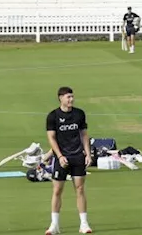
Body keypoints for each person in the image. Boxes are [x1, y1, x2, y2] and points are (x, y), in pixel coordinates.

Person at [44, 86, 92, 235]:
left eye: (72, 97)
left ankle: (84, 224)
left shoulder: (79, 114)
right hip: (61, 158)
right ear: (61, 98)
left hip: (77, 157)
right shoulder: (53, 116)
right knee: (57, 190)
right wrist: (59, 156)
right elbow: (51, 138)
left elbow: (84, 135)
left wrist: (88, 154)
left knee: (80, 189)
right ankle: (54, 225)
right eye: (68, 97)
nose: (71, 99)